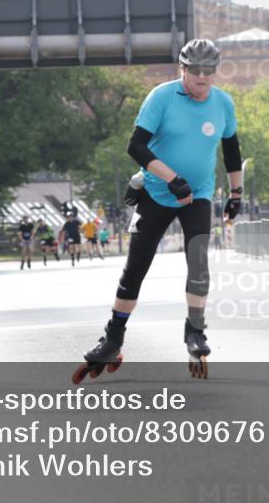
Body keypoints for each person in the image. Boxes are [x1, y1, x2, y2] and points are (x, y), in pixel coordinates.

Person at [74, 39, 243, 383]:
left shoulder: (223, 103)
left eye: (208, 71)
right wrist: (171, 178)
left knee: (198, 261)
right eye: (194, 70)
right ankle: (113, 338)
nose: (201, 77)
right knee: (136, 267)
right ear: (182, 69)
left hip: (198, 195)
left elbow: (231, 149)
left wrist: (236, 193)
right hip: (155, 192)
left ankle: (195, 330)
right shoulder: (162, 97)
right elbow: (135, 145)